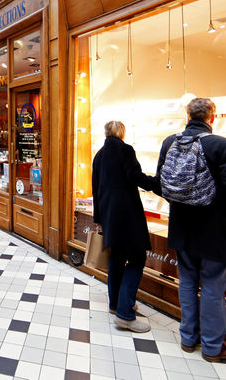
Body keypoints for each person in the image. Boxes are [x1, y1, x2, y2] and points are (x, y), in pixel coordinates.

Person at [156, 98, 226, 362]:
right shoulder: (221, 145)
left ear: (187, 116)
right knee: (212, 288)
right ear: (212, 117)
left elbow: (165, 184)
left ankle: (187, 339)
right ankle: (212, 347)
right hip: (215, 229)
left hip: (182, 227)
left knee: (186, 283)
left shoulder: (169, 143)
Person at [92, 120, 159, 333]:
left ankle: (115, 305)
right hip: (127, 214)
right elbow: (136, 177)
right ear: (122, 132)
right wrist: (158, 185)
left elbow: (96, 189)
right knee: (138, 258)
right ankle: (125, 314)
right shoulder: (126, 150)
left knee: (118, 258)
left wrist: (99, 218)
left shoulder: (99, 155)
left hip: (109, 214)